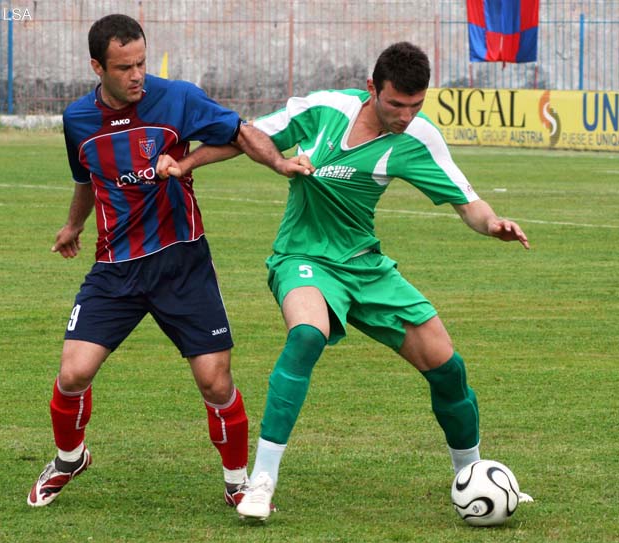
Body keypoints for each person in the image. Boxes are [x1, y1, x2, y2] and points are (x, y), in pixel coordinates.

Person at [156, 41, 531, 520]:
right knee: (306, 334)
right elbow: (247, 135)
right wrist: (186, 164)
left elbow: (467, 201)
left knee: (448, 368)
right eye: (396, 104)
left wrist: (493, 223)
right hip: (301, 257)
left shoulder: (418, 138)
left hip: (365, 266)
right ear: (372, 88)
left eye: (416, 105)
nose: (405, 115)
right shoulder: (325, 109)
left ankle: (475, 477)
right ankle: (262, 481)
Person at [26, 13, 311, 508]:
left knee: (214, 379)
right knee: (72, 374)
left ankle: (237, 481)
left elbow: (240, 134)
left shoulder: (176, 97)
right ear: (97, 67)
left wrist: (278, 163)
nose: (137, 75)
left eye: (140, 62)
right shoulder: (77, 120)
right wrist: (73, 225)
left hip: (182, 262)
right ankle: (71, 458)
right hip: (115, 267)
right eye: (124, 68)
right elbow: (86, 178)